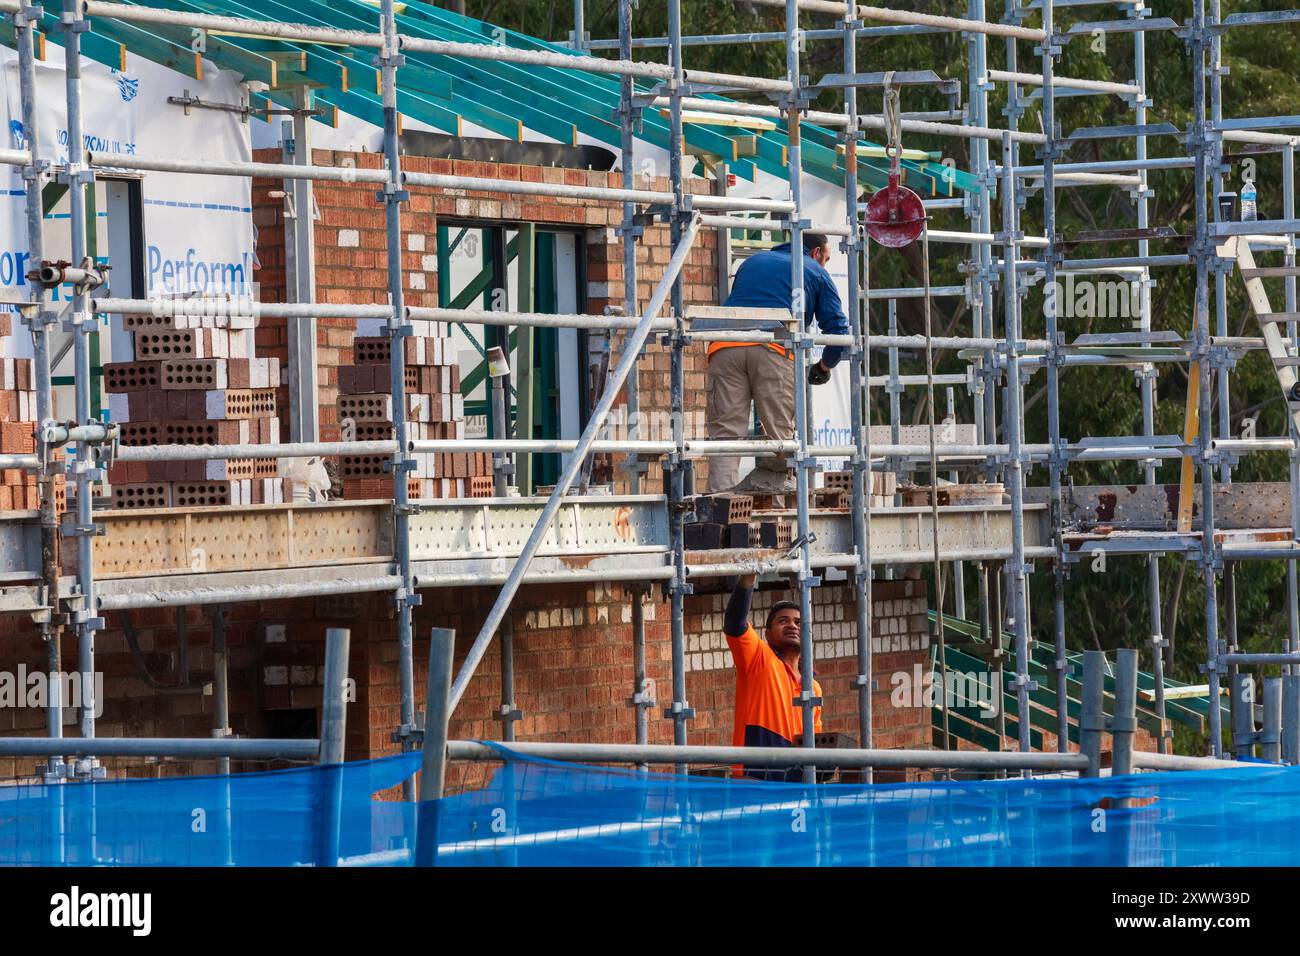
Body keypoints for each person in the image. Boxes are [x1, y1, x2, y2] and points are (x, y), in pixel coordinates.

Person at [697, 232, 851, 497]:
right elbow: (838, 330)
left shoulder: (752, 263)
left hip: (725, 345)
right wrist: (824, 367)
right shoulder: (814, 270)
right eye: (825, 258)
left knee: (726, 435)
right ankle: (777, 515)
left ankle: (719, 512)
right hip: (773, 348)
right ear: (815, 253)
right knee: (778, 436)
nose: (824, 264)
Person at [723, 572, 822, 781]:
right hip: (755, 782)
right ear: (767, 634)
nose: (792, 626)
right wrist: (749, 577)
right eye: (783, 621)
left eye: (798, 622)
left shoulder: (813, 688)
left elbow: (814, 744)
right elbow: (734, 623)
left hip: (795, 789)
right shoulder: (759, 658)